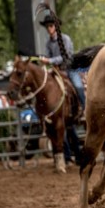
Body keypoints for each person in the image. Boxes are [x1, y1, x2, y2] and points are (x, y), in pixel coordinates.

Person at [38, 14, 83, 164]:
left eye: (51, 25)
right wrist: (45, 61)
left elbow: (67, 56)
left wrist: (49, 60)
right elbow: (47, 56)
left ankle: (84, 107)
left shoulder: (65, 39)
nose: (49, 28)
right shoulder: (48, 43)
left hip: (69, 68)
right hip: (56, 70)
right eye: (48, 26)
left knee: (77, 85)